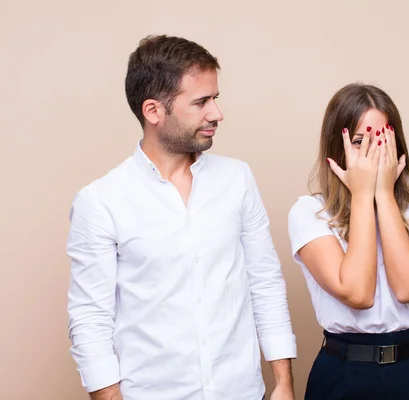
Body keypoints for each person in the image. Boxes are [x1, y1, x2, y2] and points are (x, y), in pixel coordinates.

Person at [66, 34, 297, 400]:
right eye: (201, 102)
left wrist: (283, 383)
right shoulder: (101, 202)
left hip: (241, 391)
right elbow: (90, 320)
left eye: (215, 99)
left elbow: (265, 283)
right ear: (154, 111)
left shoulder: (238, 180)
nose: (216, 114)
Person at [287, 83, 409, 399]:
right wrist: (362, 195)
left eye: (381, 140)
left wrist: (384, 194)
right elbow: (358, 293)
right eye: (359, 141)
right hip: (343, 373)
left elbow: (408, 288)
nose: (373, 153)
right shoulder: (309, 212)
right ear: (336, 148)